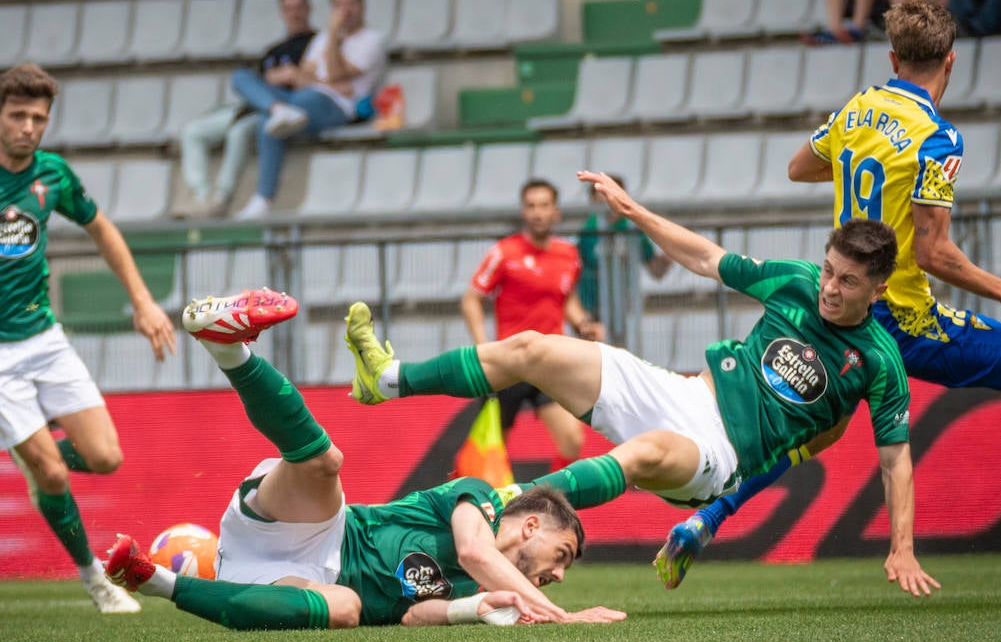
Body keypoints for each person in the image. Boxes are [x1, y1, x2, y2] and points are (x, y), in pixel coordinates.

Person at [661, 0, 1001, 587]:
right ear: (950, 63)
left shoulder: (857, 108)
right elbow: (932, 252)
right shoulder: (938, 137)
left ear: (893, 57)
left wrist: (859, 153)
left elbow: (799, 167)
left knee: (816, 431)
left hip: (845, 314)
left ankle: (709, 517)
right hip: (902, 319)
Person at [347, 193, 940, 597]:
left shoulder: (879, 362)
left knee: (646, 453)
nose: (830, 289)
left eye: (848, 281)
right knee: (532, 349)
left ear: (879, 287)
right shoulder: (796, 282)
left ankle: (505, 505)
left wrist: (903, 547)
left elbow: (895, 460)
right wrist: (633, 210)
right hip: (680, 392)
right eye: (830, 270)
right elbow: (707, 257)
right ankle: (389, 378)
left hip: (719, 456)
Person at [103, 287, 626, 629]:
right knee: (325, 462)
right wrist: (560, 616)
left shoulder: (490, 585)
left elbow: (415, 616)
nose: (560, 573)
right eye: (562, 555)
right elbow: (473, 553)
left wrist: (475, 608)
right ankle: (226, 348)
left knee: (346, 609)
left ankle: (155, 581)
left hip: (292, 584)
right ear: (531, 525)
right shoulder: (478, 499)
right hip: (310, 530)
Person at [0, 62, 178, 613]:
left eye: (38, 118)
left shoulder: (54, 176)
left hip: (44, 338)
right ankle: (94, 577)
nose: (27, 126)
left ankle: (40, 461)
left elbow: (101, 227)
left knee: (106, 456)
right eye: (17, 115)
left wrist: (142, 300)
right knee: (50, 470)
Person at [461, 179, 604, 473]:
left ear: (556, 211)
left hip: (550, 362)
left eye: (544, 205)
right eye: (531, 206)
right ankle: (463, 503)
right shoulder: (504, 252)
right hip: (509, 364)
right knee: (490, 447)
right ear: (523, 212)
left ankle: (547, 504)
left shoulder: (569, 255)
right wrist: (483, 346)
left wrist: (584, 323)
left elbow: (566, 300)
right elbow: (471, 299)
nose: (538, 212)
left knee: (572, 442)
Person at [234, 0, 387, 219]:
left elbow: (334, 72)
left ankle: (263, 197)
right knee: (241, 78)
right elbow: (302, 77)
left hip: (335, 106)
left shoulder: (372, 40)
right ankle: (278, 109)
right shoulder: (323, 37)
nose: (346, 10)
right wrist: (325, 79)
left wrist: (334, 36)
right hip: (305, 97)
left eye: (351, 3)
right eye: (339, 4)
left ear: (362, 5)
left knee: (271, 118)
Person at [178, 0, 315, 217]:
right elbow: (258, 82)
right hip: (255, 106)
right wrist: (276, 78)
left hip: (284, 108)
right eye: (289, 9)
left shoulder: (317, 44)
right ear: (281, 12)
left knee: (239, 133)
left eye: (299, 8)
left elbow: (318, 83)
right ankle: (202, 196)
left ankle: (222, 197)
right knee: (193, 131)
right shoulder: (273, 51)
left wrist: (293, 77)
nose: (295, 14)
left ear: (309, 8)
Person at [576, 174, 672, 347]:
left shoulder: (633, 230)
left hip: (621, 310)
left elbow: (656, 271)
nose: (608, 204)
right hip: (590, 310)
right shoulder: (587, 232)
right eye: (602, 197)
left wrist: (670, 253)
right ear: (592, 200)